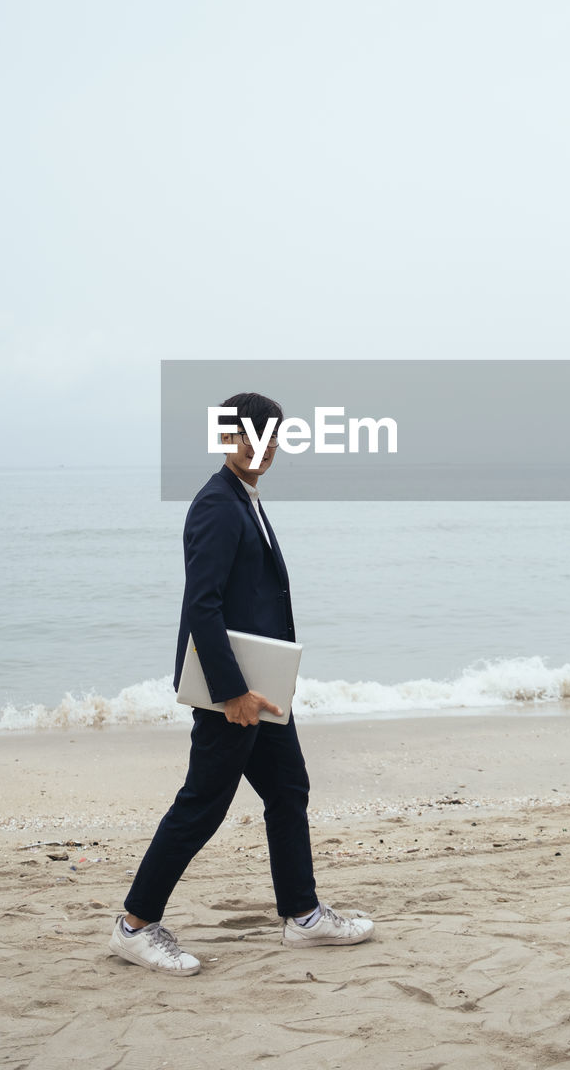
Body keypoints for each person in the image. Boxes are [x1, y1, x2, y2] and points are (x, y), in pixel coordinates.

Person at [109, 391, 374, 975]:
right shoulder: (216, 505)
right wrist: (231, 693)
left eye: (273, 439)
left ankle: (302, 916)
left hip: (261, 688)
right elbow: (201, 606)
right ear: (227, 439)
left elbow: (255, 598)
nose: (264, 449)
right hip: (233, 694)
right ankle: (134, 925)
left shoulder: (245, 499)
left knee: (288, 790)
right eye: (252, 437)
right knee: (203, 804)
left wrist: (274, 677)